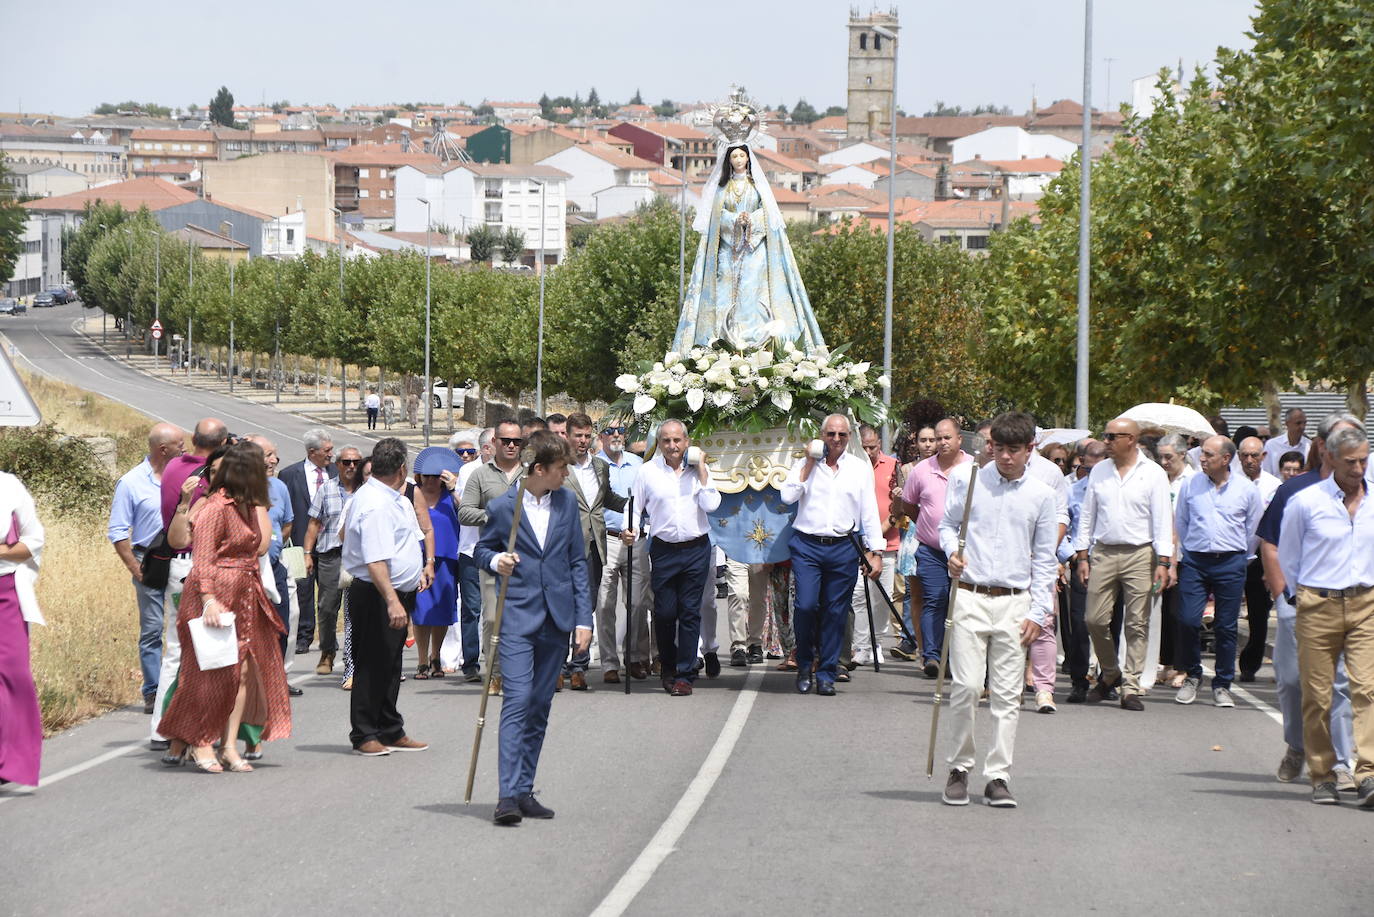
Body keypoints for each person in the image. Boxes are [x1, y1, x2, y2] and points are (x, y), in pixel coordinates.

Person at [939, 412, 1057, 809]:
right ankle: (958, 768)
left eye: (1014, 450)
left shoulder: (1041, 494)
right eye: (1000, 449)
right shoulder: (967, 479)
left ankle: (998, 777)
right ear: (990, 447)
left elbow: (1044, 559)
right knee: (967, 687)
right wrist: (951, 553)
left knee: (1007, 696)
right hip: (970, 595)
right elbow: (946, 525)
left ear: (1030, 450)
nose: (1006, 457)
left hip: (1015, 601)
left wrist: (1039, 613)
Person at [476, 431, 592, 825]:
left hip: (557, 620)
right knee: (518, 701)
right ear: (539, 469)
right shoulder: (503, 507)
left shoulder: (566, 500)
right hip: (517, 617)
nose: (566, 475)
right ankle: (506, 795)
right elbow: (482, 549)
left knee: (540, 706)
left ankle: (525, 789)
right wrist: (496, 562)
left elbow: (578, 562)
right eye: (561, 469)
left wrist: (583, 619)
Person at [158, 441, 291, 774]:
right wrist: (208, 600)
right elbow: (201, 559)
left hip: (246, 594)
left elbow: (259, 547)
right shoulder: (215, 507)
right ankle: (201, 742)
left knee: (242, 673)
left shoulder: (247, 506)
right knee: (207, 673)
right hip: (211, 596)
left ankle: (229, 745)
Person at [1260, 412, 1361, 790]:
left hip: (1349, 601)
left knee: (1338, 683)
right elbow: (1271, 542)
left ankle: (1340, 763)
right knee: (1290, 679)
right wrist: (1283, 592)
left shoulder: (1365, 493)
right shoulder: (1295, 491)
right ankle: (1297, 744)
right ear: (1322, 447)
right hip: (1297, 598)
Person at [1278, 425, 1374, 806]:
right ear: (1330, 458)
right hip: (1318, 605)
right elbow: (1289, 555)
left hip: (1366, 603)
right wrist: (1301, 596)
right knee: (1317, 696)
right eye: (1351, 461)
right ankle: (1322, 774)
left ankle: (1367, 773)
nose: (1358, 468)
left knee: (1366, 689)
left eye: (1364, 460)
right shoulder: (1306, 502)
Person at [673, 128, 824, 352]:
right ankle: (724, 336)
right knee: (725, 287)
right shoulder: (722, 189)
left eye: (742, 155)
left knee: (753, 288)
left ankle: (756, 336)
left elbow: (768, 214)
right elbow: (717, 216)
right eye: (734, 156)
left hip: (754, 249)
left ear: (748, 158)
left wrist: (750, 220)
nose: (738, 160)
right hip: (728, 249)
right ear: (728, 160)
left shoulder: (757, 186)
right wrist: (734, 220)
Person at [780, 414, 884, 696]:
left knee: (835, 612)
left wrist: (875, 552)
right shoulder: (804, 464)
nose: (836, 440)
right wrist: (809, 464)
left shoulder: (860, 469)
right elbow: (787, 497)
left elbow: (869, 512)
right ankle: (804, 664)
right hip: (808, 545)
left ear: (849, 438)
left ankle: (826, 672)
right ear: (821, 435)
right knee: (805, 606)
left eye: (842, 435)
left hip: (843, 547)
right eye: (831, 434)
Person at [1074, 417, 1173, 712]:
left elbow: (1162, 520)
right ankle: (1110, 672)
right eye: (1105, 435)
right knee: (1094, 619)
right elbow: (1087, 515)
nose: (1105, 441)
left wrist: (1164, 561)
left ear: (1130, 439)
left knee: (1137, 623)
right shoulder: (1100, 472)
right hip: (1103, 551)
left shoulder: (1153, 473)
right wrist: (1082, 556)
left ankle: (1130, 686)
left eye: (1111, 436)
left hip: (1140, 554)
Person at [343, 438, 430, 756]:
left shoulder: (396, 499)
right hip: (378, 593)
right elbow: (375, 559)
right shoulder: (375, 503)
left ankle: (390, 728)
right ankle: (365, 733)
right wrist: (392, 600)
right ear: (402, 469)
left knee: (390, 665)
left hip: (397, 591)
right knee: (372, 664)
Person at [622, 419, 720, 696]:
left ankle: (685, 674)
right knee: (665, 613)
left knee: (690, 612)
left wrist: (700, 468)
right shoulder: (647, 472)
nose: (672, 446)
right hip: (664, 550)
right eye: (666, 440)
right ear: (659, 443)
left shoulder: (700, 470)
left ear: (687, 442)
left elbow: (712, 504)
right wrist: (630, 530)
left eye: (677, 440)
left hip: (696, 548)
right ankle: (668, 667)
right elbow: (635, 507)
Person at [1172, 436, 1263, 708]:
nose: (1202, 458)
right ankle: (1193, 675)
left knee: (1226, 626)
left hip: (1231, 562)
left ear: (1225, 459)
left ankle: (1222, 683)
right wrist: (1189, 552)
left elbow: (1253, 529)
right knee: (1187, 620)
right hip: (1195, 562)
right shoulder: (1191, 485)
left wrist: (1239, 557)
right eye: (1202, 453)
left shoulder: (1246, 489)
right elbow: (1182, 522)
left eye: (1209, 454)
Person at [108, 422, 184, 717]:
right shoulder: (131, 482)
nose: (185, 449)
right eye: (180, 444)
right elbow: (117, 531)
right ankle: (153, 691)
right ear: (163, 449)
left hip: (179, 559)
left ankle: (179, 688)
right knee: (153, 628)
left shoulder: (184, 476)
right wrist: (134, 568)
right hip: (148, 559)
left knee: (182, 626)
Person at [459, 420, 527, 696]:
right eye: (506, 440)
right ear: (494, 443)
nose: (511, 445)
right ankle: (494, 673)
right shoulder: (479, 475)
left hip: (526, 558)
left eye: (517, 441)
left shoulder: (531, 474)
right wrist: (494, 516)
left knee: (522, 619)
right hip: (491, 556)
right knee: (491, 618)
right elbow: (465, 512)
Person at [901, 418, 973, 677]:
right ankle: (932, 656)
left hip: (966, 552)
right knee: (935, 599)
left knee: (961, 603)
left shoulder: (973, 467)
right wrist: (927, 522)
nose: (942, 443)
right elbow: (908, 504)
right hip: (931, 549)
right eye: (938, 438)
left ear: (959, 439)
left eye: (947, 438)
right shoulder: (922, 470)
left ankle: (956, 657)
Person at [558, 412, 625, 690]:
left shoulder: (600, 466)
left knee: (586, 606)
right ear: (568, 436)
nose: (583, 441)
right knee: (562, 606)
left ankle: (579, 666)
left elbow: (606, 497)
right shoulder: (557, 466)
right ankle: (558, 665)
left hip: (594, 545)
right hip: (562, 546)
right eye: (578, 436)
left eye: (587, 436)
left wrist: (635, 505)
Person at [595, 423, 653, 682]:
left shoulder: (638, 465)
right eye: (609, 431)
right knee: (605, 604)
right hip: (605, 539)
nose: (615, 435)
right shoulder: (593, 466)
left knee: (638, 602)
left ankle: (635, 657)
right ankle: (609, 662)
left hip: (635, 539)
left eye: (620, 430)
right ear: (601, 437)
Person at [245, 435, 301, 700]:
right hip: (248, 567)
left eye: (275, 454)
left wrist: (274, 545)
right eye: (268, 455)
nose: (274, 460)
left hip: (276, 564)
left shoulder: (279, 487)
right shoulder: (240, 487)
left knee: (283, 624)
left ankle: (277, 678)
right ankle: (252, 682)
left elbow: (287, 523)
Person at [0, 472, 45, 787]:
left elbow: (33, 540)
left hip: (6, 592)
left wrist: (2, 551)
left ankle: (10, 761)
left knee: (14, 674)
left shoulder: (9, 485)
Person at [304, 446, 363, 683]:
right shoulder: (326, 489)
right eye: (346, 462)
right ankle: (328, 650)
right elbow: (313, 524)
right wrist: (307, 554)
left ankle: (355, 658)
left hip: (358, 557)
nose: (351, 467)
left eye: (355, 462)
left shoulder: (366, 490)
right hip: (331, 555)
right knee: (328, 607)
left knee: (357, 610)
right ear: (337, 464)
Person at [280, 429, 338, 655]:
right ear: (312, 452)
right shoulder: (289, 474)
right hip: (298, 544)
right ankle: (304, 636)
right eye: (327, 450)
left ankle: (328, 638)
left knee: (330, 594)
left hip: (330, 544)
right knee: (302, 591)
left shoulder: (337, 472)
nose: (331, 455)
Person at [1063, 438, 1111, 703]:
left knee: (1109, 622)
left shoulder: (1116, 490)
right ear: (1081, 464)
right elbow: (1061, 526)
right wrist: (1070, 556)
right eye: (1089, 469)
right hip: (1082, 561)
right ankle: (1079, 680)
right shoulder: (1073, 491)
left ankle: (1108, 678)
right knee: (1081, 623)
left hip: (1111, 561)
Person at [411, 446, 463, 680]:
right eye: (427, 476)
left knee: (442, 611)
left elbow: (467, 512)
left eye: (436, 476)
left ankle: (436, 657)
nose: (431, 480)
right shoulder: (412, 495)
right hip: (418, 559)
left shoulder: (450, 497)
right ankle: (422, 660)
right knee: (421, 611)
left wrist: (454, 488)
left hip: (447, 560)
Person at [850, 424, 899, 666]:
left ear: (879, 443)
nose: (869, 452)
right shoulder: (853, 466)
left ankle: (876, 642)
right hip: (858, 544)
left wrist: (885, 526)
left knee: (883, 597)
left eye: (873, 447)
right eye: (864, 447)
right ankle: (861, 645)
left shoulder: (892, 466)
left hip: (887, 543)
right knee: (859, 595)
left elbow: (900, 504)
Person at [1236, 436, 1282, 682]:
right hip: (1232, 555)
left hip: (1259, 558)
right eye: (1245, 455)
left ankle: (1250, 664)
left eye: (1255, 455)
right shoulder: (1229, 481)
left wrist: (1270, 567)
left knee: (1258, 613)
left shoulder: (1273, 486)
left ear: (1263, 457)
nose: (1249, 460)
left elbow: (1273, 526)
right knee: (1226, 614)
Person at [1154, 434, 1196, 690]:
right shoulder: (1159, 479)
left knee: (1180, 614)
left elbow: (1184, 522)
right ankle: (1166, 663)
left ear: (1182, 454)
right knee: (1162, 612)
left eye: (1168, 456)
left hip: (1184, 555)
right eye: (1161, 457)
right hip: (1160, 554)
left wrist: (1175, 560)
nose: (1164, 461)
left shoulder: (1192, 481)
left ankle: (1184, 666)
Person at [1263, 407, 1310, 477]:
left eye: (1304, 423)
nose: (1302, 427)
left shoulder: (1310, 446)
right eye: (1298, 423)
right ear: (1287, 424)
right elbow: (1266, 472)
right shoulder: (1271, 445)